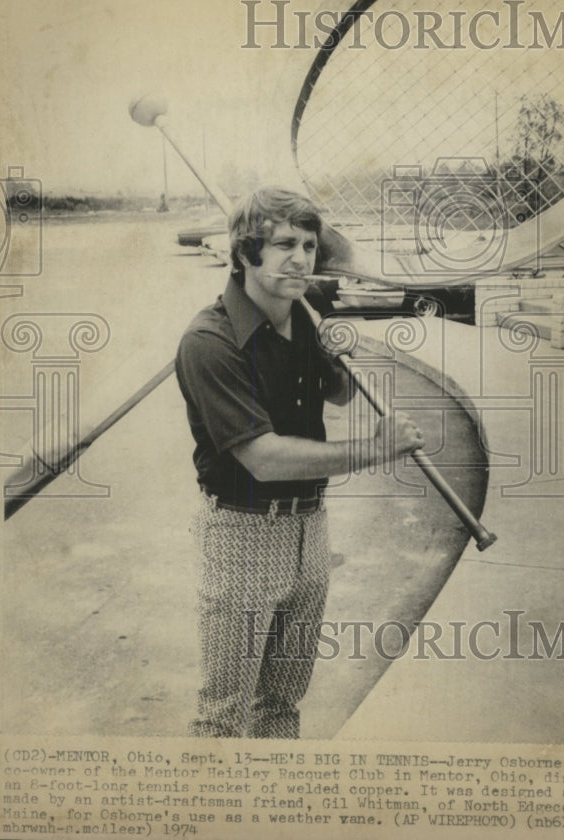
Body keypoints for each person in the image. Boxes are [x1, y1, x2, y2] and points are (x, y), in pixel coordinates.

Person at [175, 186, 424, 738]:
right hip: (243, 531)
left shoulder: (306, 317)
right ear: (244, 254)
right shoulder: (209, 341)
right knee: (223, 713)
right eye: (284, 243)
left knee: (282, 705)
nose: (301, 258)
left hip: (311, 528)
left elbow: (337, 397)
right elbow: (263, 459)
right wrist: (372, 450)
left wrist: (338, 361)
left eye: (309, 245)